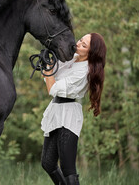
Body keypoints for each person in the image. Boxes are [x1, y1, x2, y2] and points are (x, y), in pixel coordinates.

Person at [40, 33, 107, 185]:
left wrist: (48, 67)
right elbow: (48, 77)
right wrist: (48, 61)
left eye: (84, 45)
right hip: (56, 110)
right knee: (47, 163)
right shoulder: (72, 58)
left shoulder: (84, 71)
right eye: (80, 40)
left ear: (91, 53)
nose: (78, 44)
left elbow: (52, 88)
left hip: (69, 114)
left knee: (67, 168)